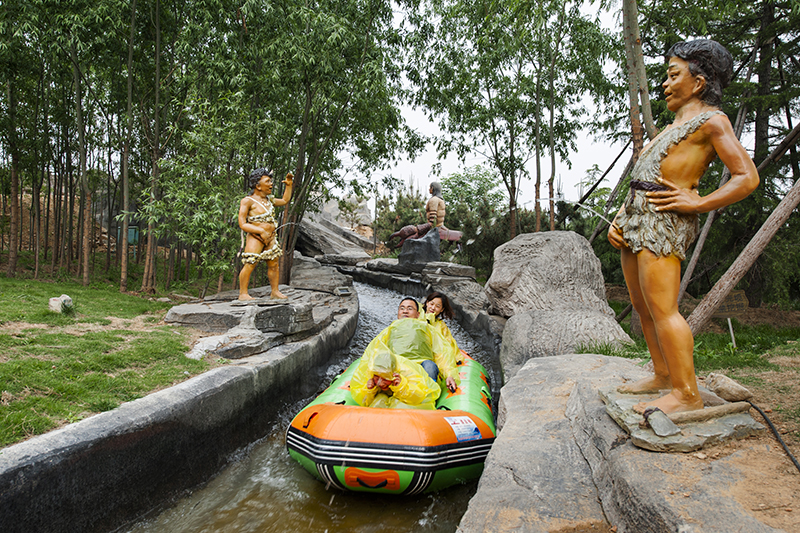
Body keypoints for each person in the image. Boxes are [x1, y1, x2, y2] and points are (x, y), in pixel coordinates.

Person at [608, 39, 759, 415]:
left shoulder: (713, 121)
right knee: (642, 306)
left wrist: (699, 202)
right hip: (637, 219)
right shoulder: (670, 127)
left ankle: (687, 394)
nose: (665, 83)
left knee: (664, 309)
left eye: (673, 75)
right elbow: (644, 178)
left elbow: (747, 177)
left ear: (699, 82)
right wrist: (621, 217)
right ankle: (663, 375)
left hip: (665, 221)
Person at [238, 168, 293, 301]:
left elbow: (285, 200)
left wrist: (289, 185)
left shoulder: (270, 200)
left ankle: (275, 291)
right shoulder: (248, 201)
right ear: (258, 185)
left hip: (271, 237)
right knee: (250, 263)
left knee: (274, 264)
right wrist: (260, 231)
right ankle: (243, 293)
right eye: (267, 181)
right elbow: (242, 223)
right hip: (255, 237)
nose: (271, 184)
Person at [350, 346, 441, 409]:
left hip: (420, 370)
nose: (381, 383)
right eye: (377, 378)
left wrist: (401, 387)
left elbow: (420, 396)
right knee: (379, 400)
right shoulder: (372, 374)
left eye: (385, 379)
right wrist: (369, 390)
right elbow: (364, 402)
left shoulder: (406, 372)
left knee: (430, 366)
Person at [423, 292, 463, 365]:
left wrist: (456, 358)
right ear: (427, 303)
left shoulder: (441, 325)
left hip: (434, 357)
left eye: (437, 306)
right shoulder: (416, 316)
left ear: (442, 309)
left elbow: (448, 341)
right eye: (431, 304)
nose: (433, 308)